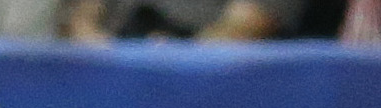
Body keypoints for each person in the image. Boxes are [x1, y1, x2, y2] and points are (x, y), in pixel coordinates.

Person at [62, 0, 305, 38]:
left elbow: (251, 22)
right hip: (110, 67)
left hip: (209, 81)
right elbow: (80, 20)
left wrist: (175, 59)